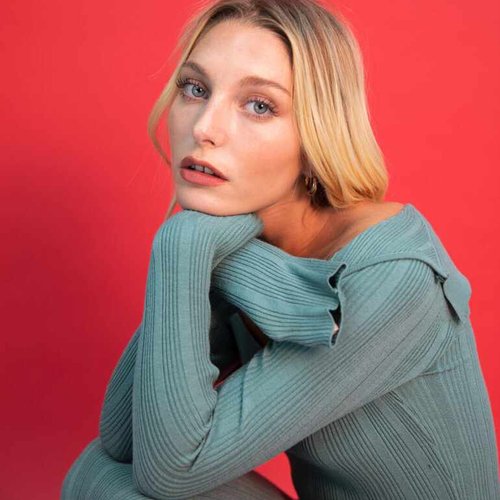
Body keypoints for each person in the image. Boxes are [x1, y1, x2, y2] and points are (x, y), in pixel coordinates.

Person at [61, 0, 500, 498]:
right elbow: (124, 438)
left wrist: (181, 241)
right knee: (100, 474)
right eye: (195, 89)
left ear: (318, 135)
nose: (204, 128)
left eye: (259, 106)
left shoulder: (396, 276)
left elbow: (172, 471)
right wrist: (201, 251)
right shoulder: (249, 241)